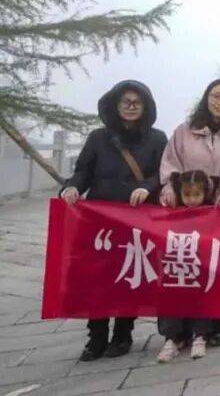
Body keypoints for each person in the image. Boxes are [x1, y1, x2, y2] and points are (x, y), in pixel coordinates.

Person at [59, 80, 167, 361]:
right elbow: (83, 171)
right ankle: (95, 337)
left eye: (136, 103)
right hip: (100, 221)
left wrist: (149, 187)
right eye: (125, 102)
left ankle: (122, 334)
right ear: (115, 105)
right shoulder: (98, 138)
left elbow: (164, 173)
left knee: (130, 276)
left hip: (137, 220)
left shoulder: (156, 138)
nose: (130, 107)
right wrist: (71, 188)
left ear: (145, 107)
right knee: (98, 278)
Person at [158, 77, 220, 350]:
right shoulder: (184, 131)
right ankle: (176, 329)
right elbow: (169, 163)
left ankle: (213, 327)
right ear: (207, 98)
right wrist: (169, 189)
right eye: (216, 96)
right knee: (181, 264)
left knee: (217, 269)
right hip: (185, 207)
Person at [156, 171, 220, 362]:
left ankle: (200, 336)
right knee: (172, 298)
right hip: (176, 264)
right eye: (187, 195)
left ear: (205, 193)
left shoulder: (211, 212)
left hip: (200, 265)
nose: (192, 200)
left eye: (197, 195)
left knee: (202, 298)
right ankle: (172, 338)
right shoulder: (171, 212)